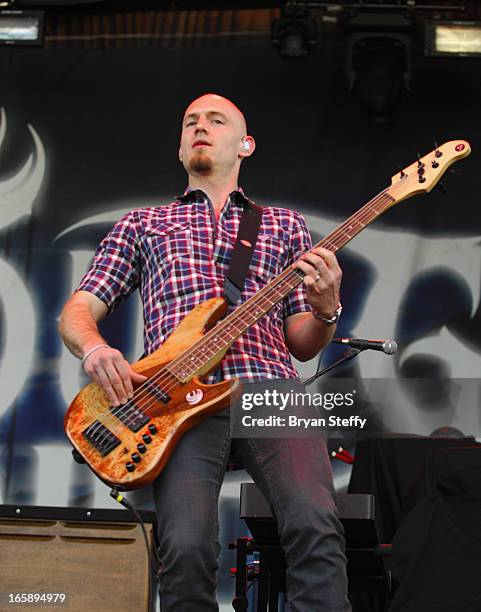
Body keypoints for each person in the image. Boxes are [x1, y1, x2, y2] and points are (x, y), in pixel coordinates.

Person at [59, 93, 350, 611]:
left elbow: (302, 343)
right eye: (191, 121)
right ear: (179, 147)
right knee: (187, 548)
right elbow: (77, 310)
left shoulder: (284, 225)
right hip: (176, 403)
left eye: (216, 121)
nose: (201, 127)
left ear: (245, 144)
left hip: (270, 386)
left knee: (314, 525)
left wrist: (326, 311)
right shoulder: (142, 224)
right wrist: (95, 350)